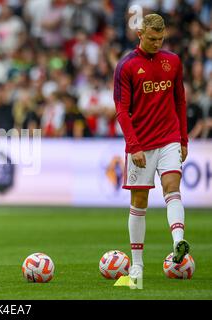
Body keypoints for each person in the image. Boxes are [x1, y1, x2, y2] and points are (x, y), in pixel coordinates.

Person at [113, 14, 190, 283]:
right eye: (152, 38)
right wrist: (133, 146)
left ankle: (179, 242)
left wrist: (183, 139)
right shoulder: (126, 66)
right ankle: (137, 266)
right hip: (141, 145)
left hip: (169, 137)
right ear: (140, 35)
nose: (158, 43)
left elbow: (180, 100)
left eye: (161, 39)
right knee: (139, 203)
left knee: (172, 188)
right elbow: (122, 110)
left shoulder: (173, 62)